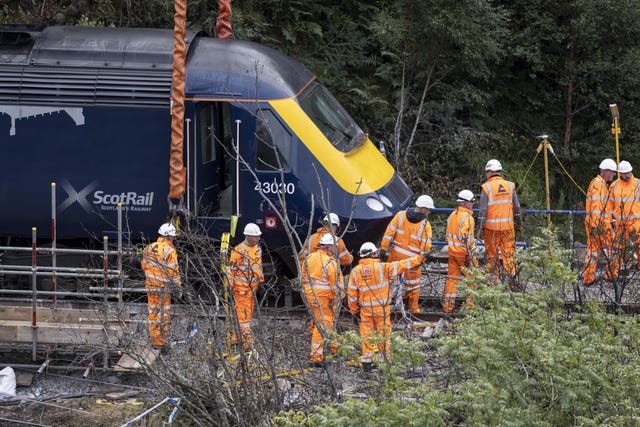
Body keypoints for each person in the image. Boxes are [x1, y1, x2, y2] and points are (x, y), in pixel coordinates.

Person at [347, 242, 423, 372]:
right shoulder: (383, 268)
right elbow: (402, 264)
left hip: (365, 310)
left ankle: (367, 363)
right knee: (384, 334)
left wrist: (354, 311)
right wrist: (419, 258)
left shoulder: (355, 272)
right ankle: (384, 361)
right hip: (381, 308)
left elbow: (351, 294)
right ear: (373, 254)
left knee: (367, 335)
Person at [380, 195, 433, 313]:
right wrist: (421, 260)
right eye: (429, 210)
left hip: (395, 257)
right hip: (412, 261)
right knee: (413, 286)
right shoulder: (425, 225)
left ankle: (384, 307)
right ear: (423, 208)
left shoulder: (400, 216)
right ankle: (413, 309)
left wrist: (383, 249)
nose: (429, 212)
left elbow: (389, 232)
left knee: (390, 282)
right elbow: (426, 247)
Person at [301, 233, 344, 366]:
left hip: (310, 296)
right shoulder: (330, 263)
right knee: (323, 326)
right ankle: (316, 357)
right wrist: (337, 301)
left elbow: (303, 277)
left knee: (321, 323)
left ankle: (334, 348)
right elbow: (337, 287)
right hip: (323, 299)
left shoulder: (309, 258)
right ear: (329, 247)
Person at [477, 159, 522, 282]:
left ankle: (493, 283)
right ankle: (513, 282)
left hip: (491, 230)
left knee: (491, 256)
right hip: (508, 228)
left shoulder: (486, 187)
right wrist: (519, 224)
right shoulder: (510, 186)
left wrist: (479, 229)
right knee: (509, 255)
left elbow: (482, 211)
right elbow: (517, 207)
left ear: (489, 172)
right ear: (499, 171)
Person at [141, 223, 182, 350]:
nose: (174, 239)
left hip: (150, 286)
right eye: (173, 237)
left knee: (152, 312)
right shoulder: (170, 251)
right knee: (163, 314)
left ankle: (154, 339)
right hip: (163, 288)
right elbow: (173, 272)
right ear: (169, 237)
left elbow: (144, 266)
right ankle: (160, 342)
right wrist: (178, 287)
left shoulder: (149, 247)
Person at [229, 223, 264, 350]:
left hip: (252, 289)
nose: (258, 239)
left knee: (246, 315)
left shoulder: (257, 249)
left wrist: (260, 281)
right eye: (256, 237)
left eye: (258, 236)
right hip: (241, 290)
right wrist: (229, 285)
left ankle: (236, 338)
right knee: (243, 315)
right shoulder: (238, 250)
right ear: (248, 236)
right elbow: (230, 271)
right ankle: (247, 343)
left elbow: (258, 267)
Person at [582, 159, 617, 285]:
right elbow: (597, 208)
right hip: (600, 225)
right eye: (613, 172)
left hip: (595, 224)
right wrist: (597, 226)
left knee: (592, 251)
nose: (613, 175)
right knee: (614, 247)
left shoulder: (597, 183)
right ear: (607, 171)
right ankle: (611, 276)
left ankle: (588, 279)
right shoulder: (600, 185)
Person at [443, 190, 477, 313]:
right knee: (472, 279)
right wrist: (470, 255)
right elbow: (467, 239)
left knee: (452, 279)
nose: (473, 203)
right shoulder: (468, 218)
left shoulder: (453, 215)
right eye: (472, 201)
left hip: (452, 252)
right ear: (466, 203)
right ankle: (471, 306)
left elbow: (447, 236)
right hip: (464, 253)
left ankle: (448, 307)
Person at [606, 160, 640, 279]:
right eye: (625, 173)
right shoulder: (614, 186)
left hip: (636, 222)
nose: (628, 175)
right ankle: (624, 267)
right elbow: (610, 205)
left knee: (638, 243)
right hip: (621, 223)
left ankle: (637, 265)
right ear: (620, 173)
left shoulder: (637, 184)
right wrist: (608, 220)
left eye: (629, 172)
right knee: (621, 246)